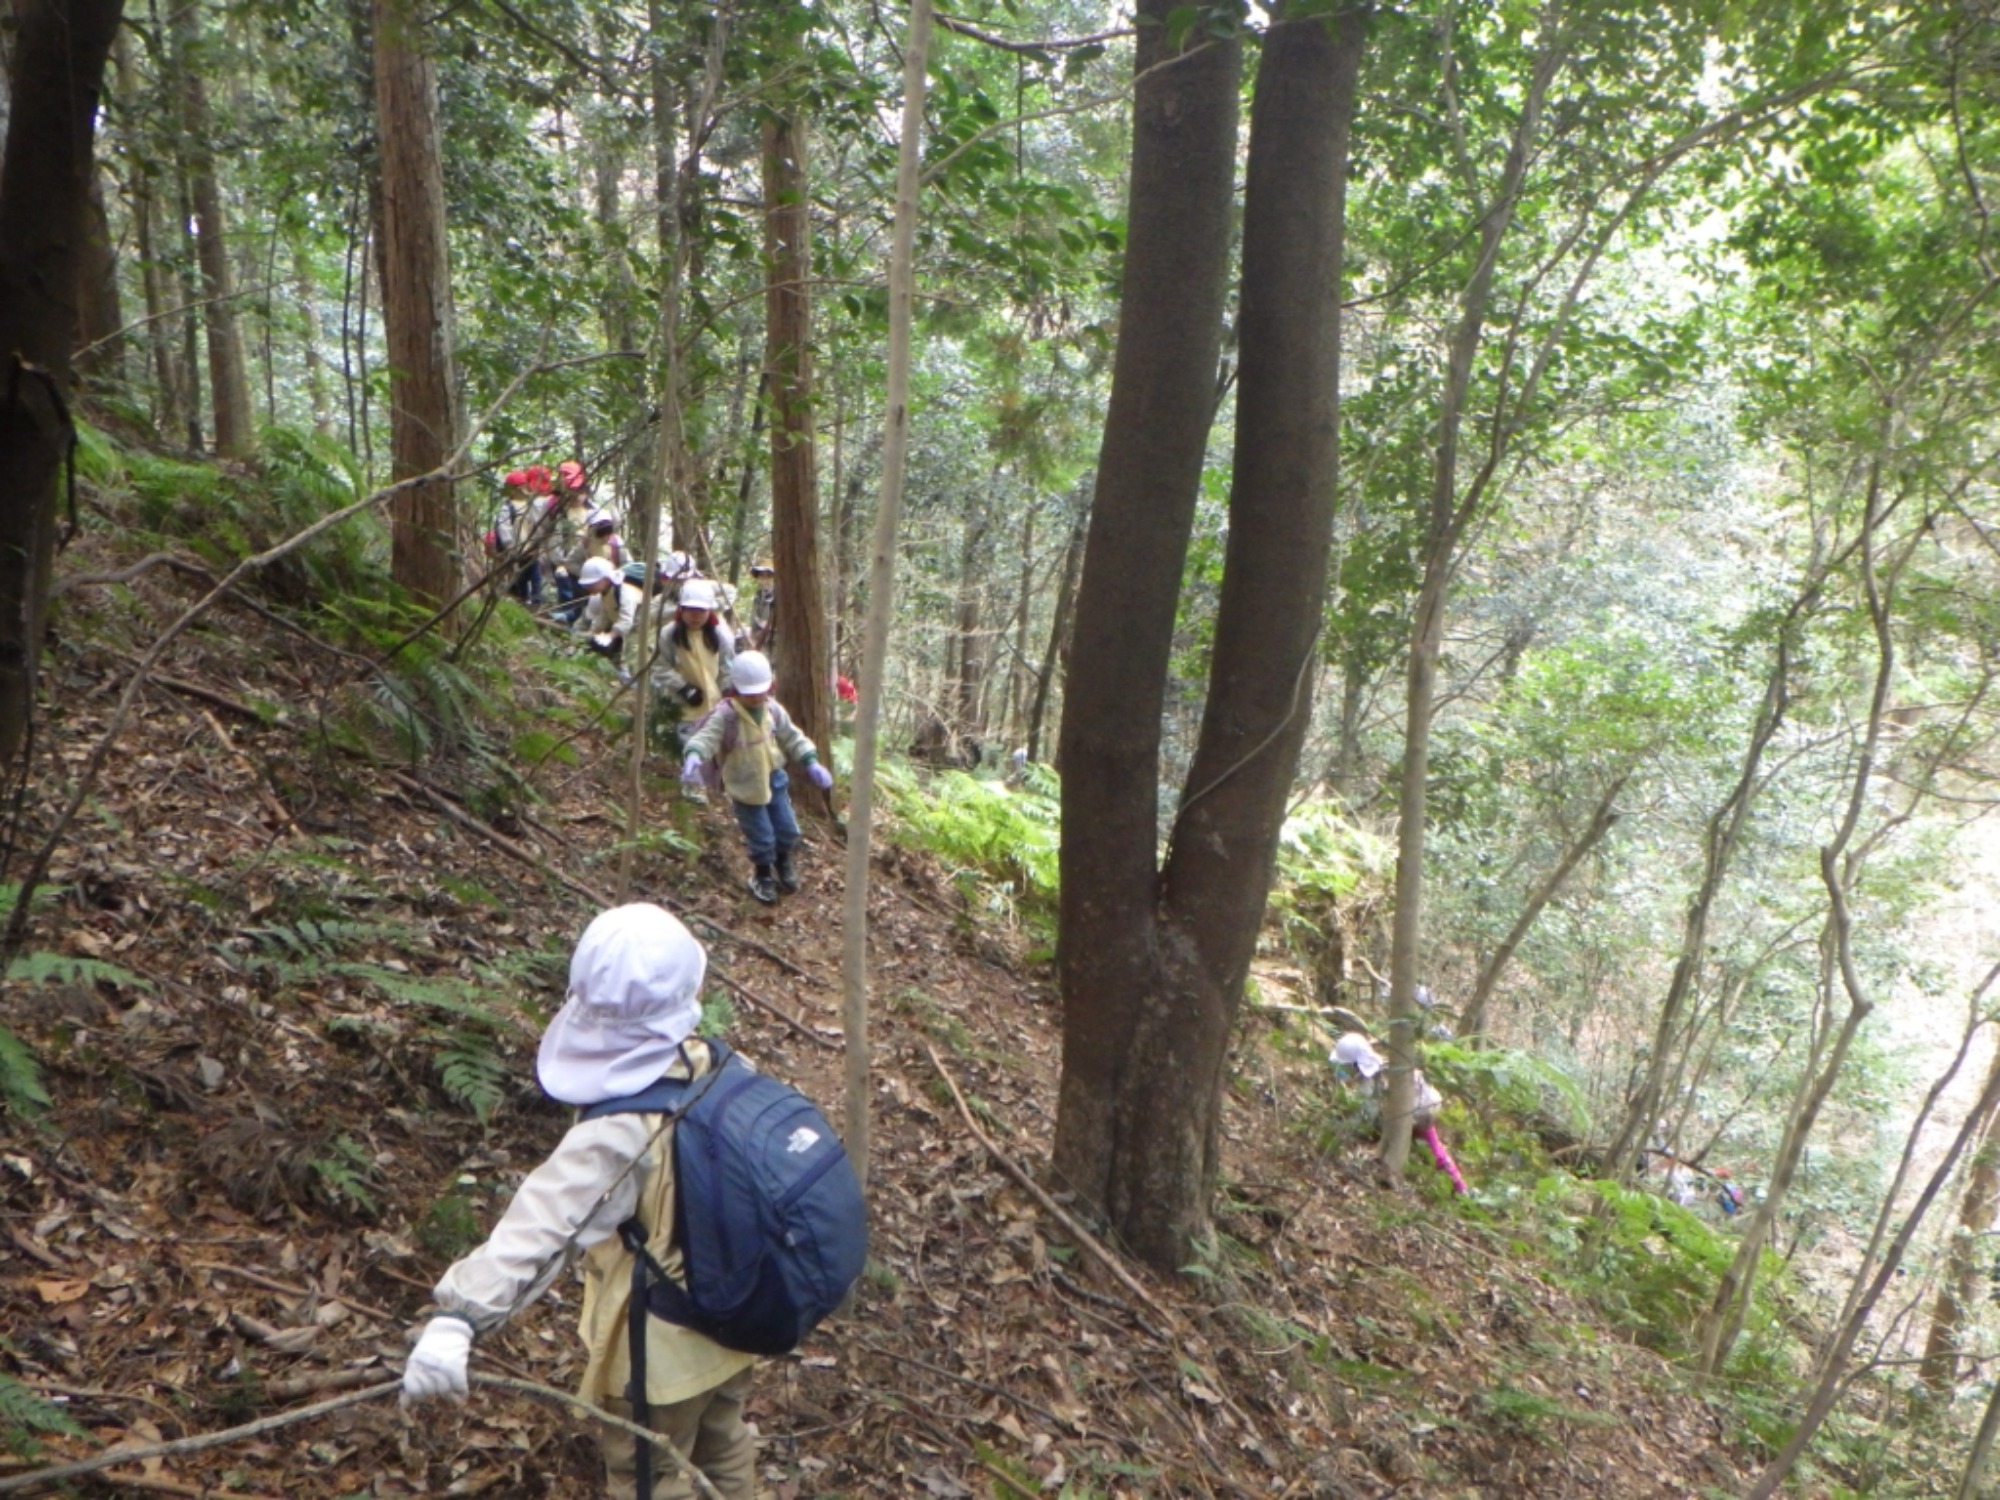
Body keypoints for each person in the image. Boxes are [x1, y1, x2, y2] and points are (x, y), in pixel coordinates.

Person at [400, 903, 760, 1500]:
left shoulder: (624, 1129)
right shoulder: (718, 1064)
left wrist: (458, 1317)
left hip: (661, 1353)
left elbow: (546, 1222)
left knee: (653, 1478)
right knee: (724, 1446)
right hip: (736, 1314)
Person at [680, 651, 832, 905]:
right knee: (761, 836)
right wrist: (694, 754)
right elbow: (707, 737)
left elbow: (792, 736)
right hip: (745, 784)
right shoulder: (726, 715)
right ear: (737, 688)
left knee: (787, 829)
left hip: (774, 777)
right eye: (749, 693)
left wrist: (811, 761)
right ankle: (761, 876)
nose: (755, 697)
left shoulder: (773, 710)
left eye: (760, 691)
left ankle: (783, 863)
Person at [1330, 1032, 1468, 1194]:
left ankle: (1456, 1187)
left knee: (1432, 1149)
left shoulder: (1371, 1081)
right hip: (1426, 1105)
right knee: (1437, 1150)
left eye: (1345, 1066)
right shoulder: (1385, 1066)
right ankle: (1461, 1187)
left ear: (1355, 1065)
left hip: (1415, 1112)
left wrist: (1342, 1126)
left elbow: (1367, 1115)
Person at [655, 579, 736, 747]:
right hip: (686, 708)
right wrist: (683, 688)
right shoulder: (669, 634)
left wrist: (727, 694)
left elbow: (728, 667)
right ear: (681, 610)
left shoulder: (721, 635)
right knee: (692, 754)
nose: (695, 616)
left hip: (715, 708)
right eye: (690, 610)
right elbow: (660, 667)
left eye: (701, 611)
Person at [576, 557, 643, 679]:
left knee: (632, 658)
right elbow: (606, 614)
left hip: (639, 629)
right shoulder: (605, 593)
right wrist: (594, 631)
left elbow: (626, 621)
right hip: (625, 631)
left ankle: (635, 686)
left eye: (592, 583)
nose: (588, 587)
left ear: (606, 580)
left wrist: (610, 636)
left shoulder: (624, 593)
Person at [745, 563, 776, 652]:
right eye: (761, 575)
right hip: (756, 637)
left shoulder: (778, 596)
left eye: (768, 576)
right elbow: (754, 618)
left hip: (771, 640)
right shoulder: (758, 595)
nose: (764, 579)